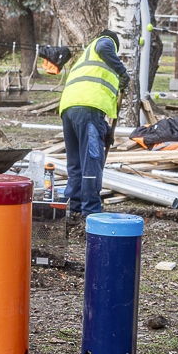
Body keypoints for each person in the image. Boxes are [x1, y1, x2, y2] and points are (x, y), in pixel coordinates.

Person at [59, 29, 130, 217]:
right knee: (91, 161)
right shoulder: (105, 42)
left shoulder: (86, 58)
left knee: (75, 164)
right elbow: (104, 46)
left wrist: (105, 128)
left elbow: (91, 89)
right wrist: (122, 72)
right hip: (87, 109)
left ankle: (74, 209)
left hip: (69, 109)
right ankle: (90, 211)